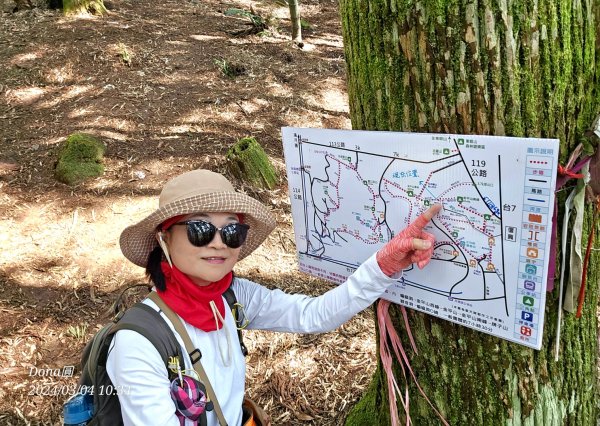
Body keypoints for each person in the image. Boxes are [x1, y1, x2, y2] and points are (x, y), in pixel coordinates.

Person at [108, 168, 441, 426]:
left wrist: (383, 265)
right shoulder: (139, 342)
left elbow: (313, 315)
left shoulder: (231, 297)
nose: (219, 243)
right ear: (163, 238)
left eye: (232, 230)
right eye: (199, 229)